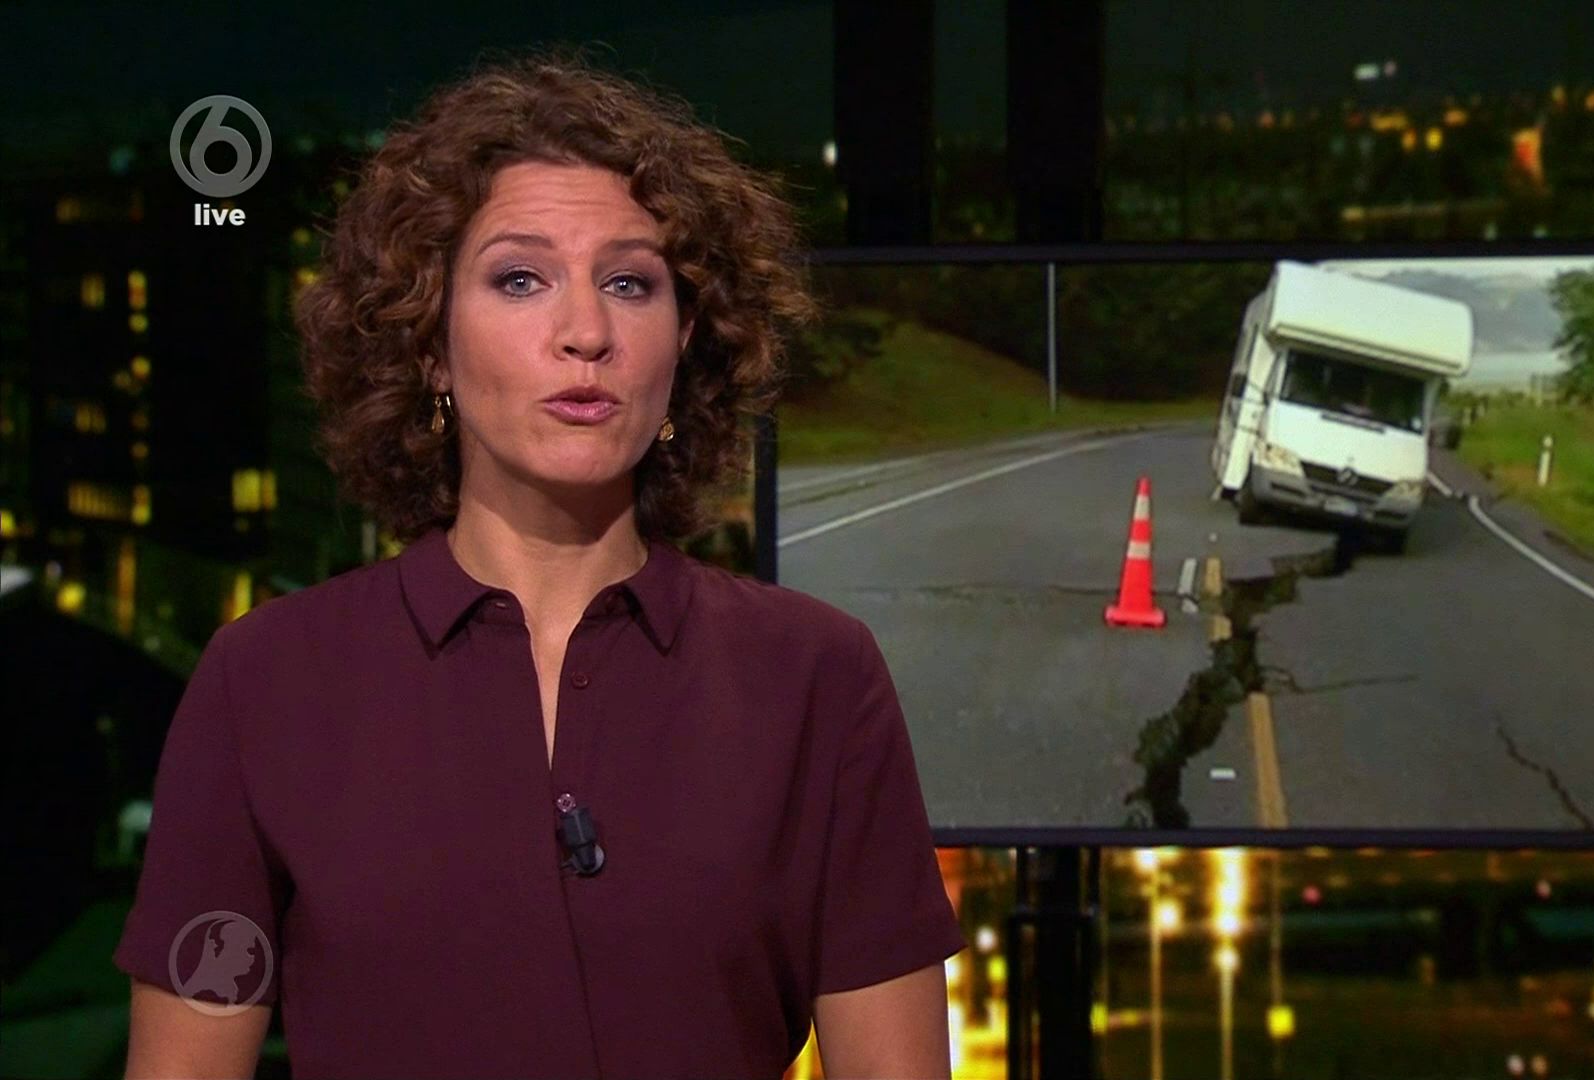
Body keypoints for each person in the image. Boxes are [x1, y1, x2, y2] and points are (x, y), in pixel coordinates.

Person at [116, 49, 965, 1079]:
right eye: (520, 279)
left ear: (686, 342)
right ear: (429, 345)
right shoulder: (264, 683)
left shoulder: (816, 677)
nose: (587, 332)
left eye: (631, 283)